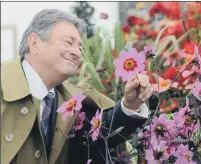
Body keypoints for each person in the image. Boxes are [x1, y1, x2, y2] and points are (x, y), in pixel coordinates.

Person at [1, 9, 153, 164]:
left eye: (80, 47)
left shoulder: (73, 99)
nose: (77, 53)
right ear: (34, 44)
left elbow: (101, 133)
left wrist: (131, 104)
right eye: (69, 42)